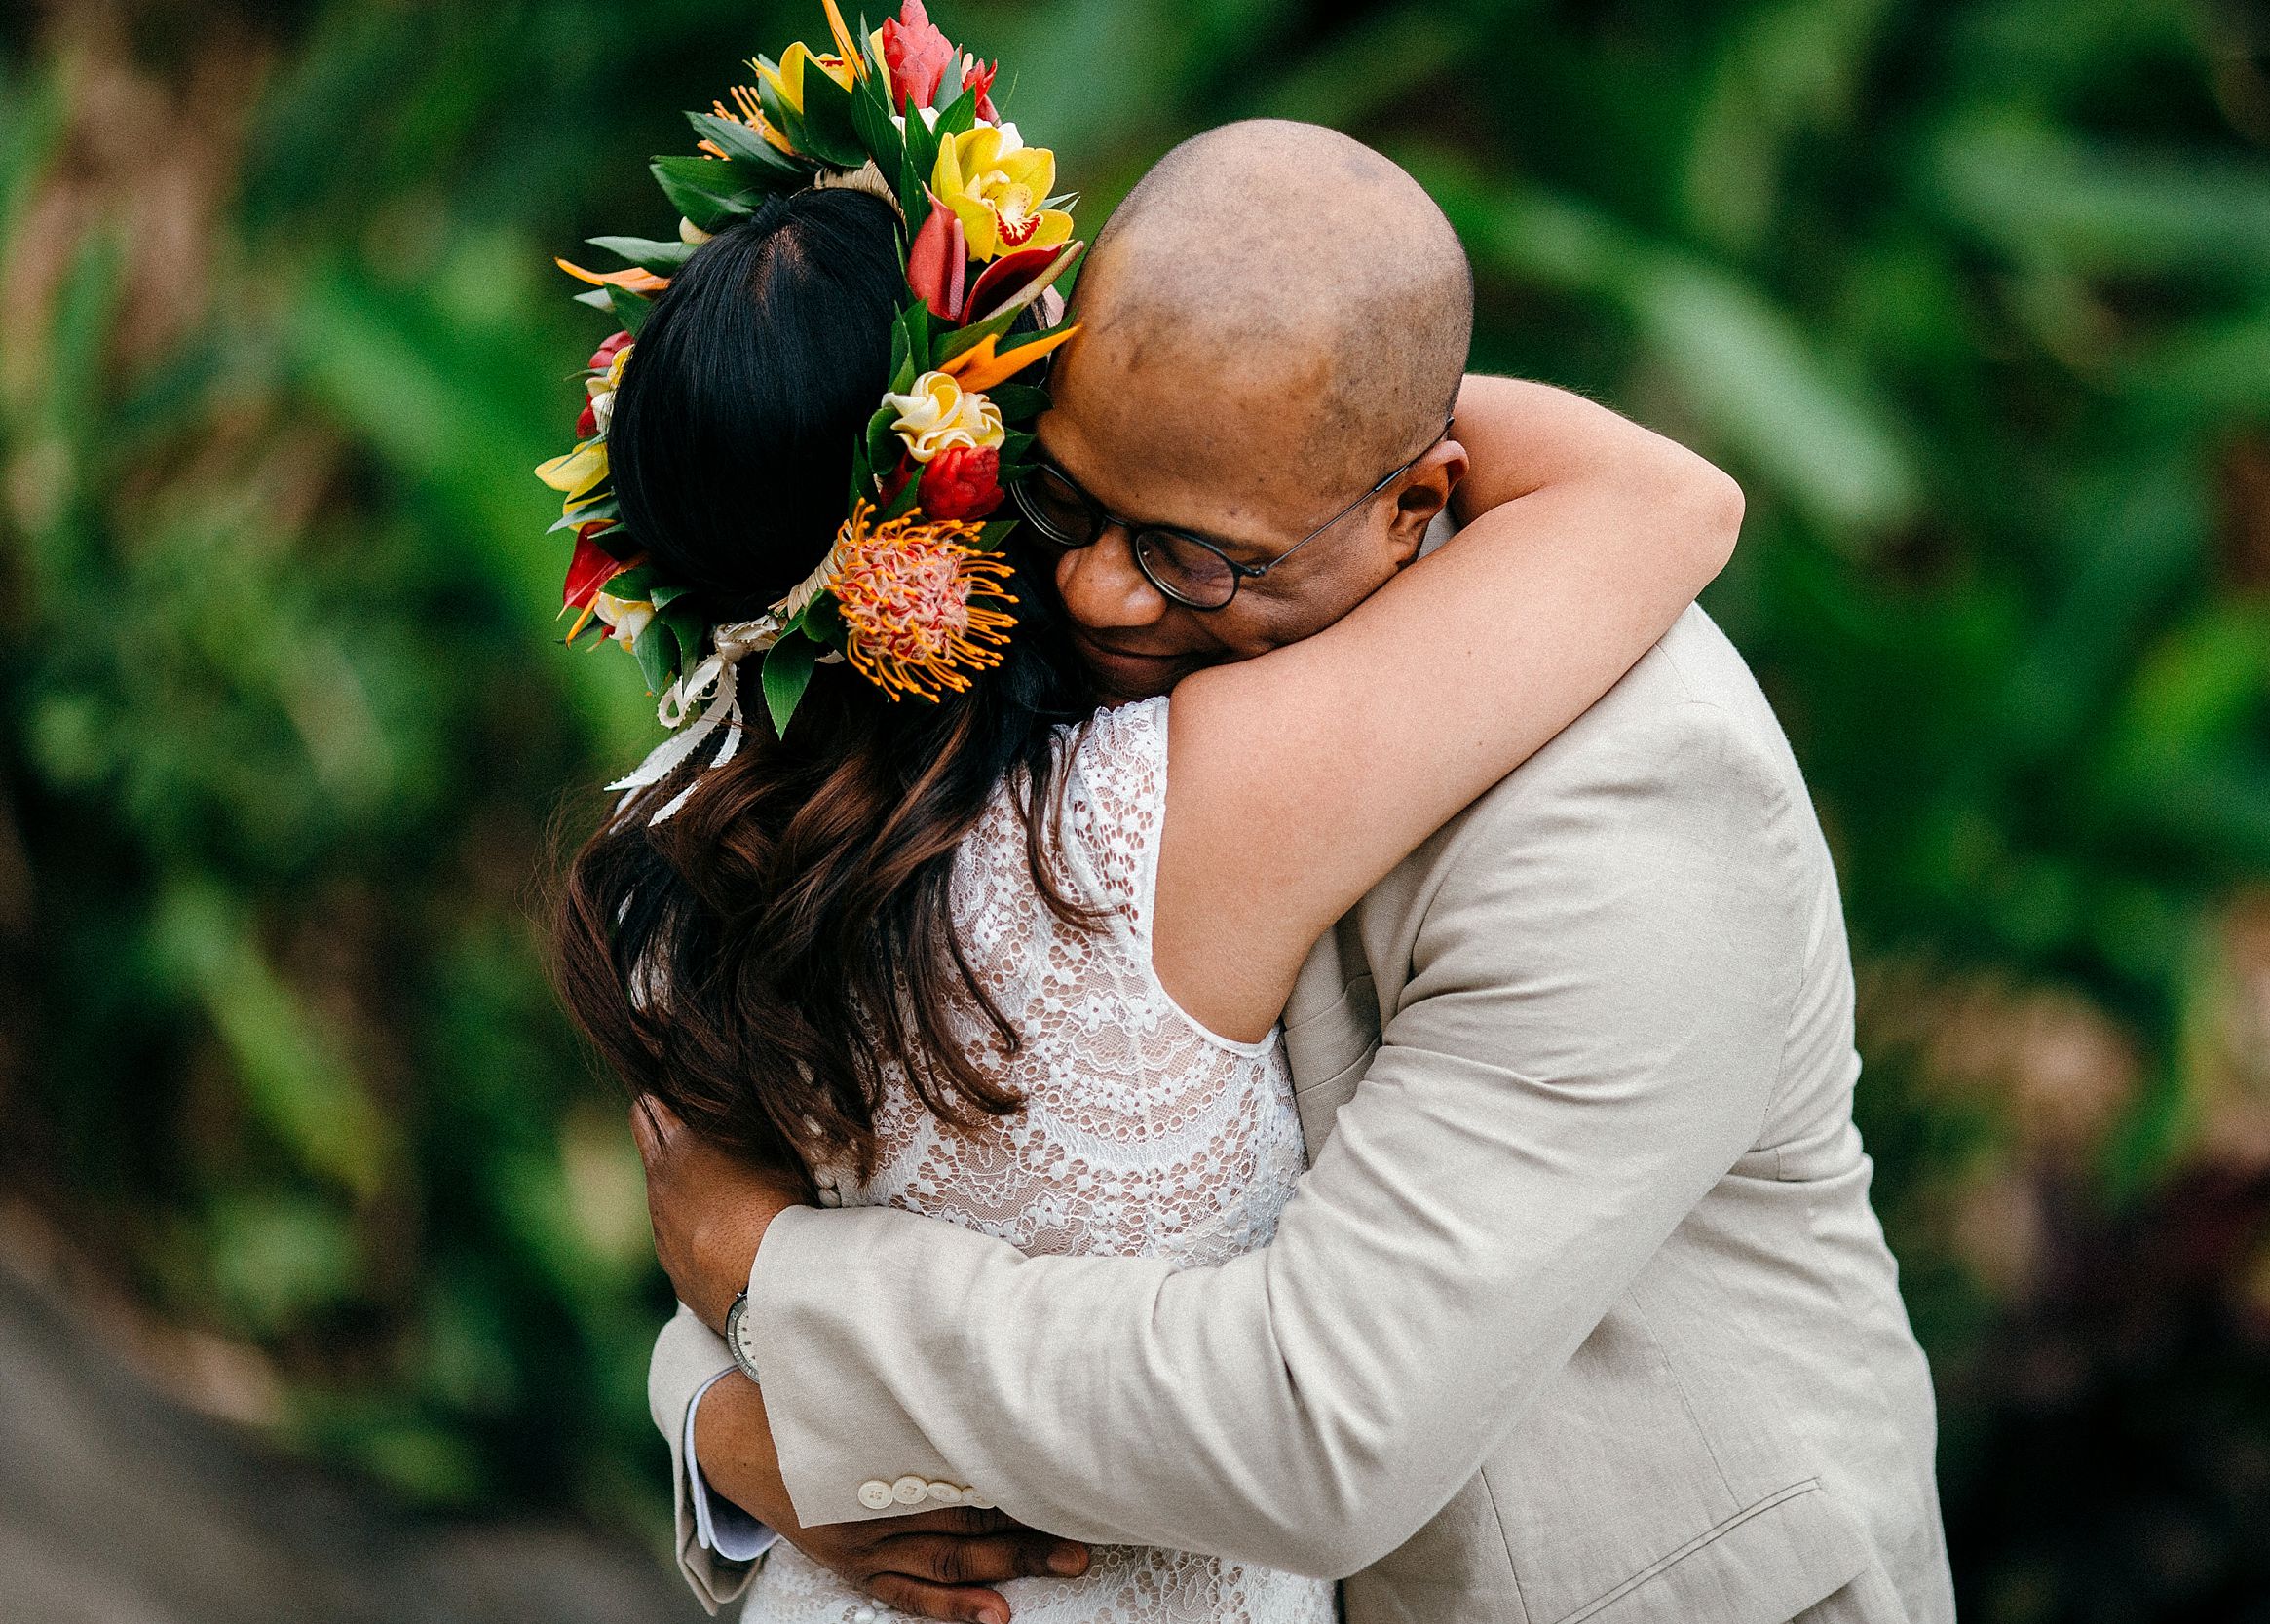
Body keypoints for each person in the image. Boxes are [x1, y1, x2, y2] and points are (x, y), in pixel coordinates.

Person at [640, 122, 1954, 1624]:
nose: (1094, 587)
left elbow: (1323, 1424)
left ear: (1410, 505)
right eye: (1064, 502)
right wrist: (726, 1421)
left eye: (1198, 551)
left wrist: (773, 1290)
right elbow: (897, 1147)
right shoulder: (1069, 663)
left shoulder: (1639, 793)